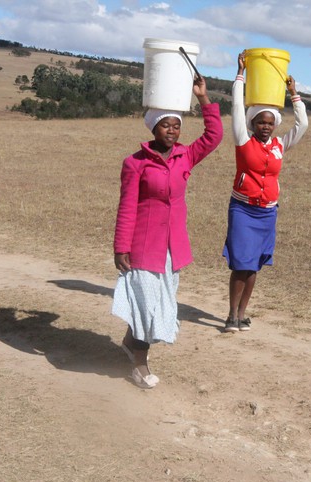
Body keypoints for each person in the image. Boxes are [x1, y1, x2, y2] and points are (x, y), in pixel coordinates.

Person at [112, 76, 222, 389]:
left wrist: (203, 99)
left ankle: (131, 343)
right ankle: (139, 364)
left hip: (173, 246)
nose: (172, 130)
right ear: (153, 128)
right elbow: (127, 208)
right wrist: (121, 247)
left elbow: (214, 135)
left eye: (176, 125)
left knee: (158, 305)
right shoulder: (135, 164)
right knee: (149, 308)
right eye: (165, 125)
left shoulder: (185, 155)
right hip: (144, 245)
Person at [222, 50, 308, 332]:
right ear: (252, 123)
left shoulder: (280, 145)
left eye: (270, 123)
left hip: (267, 213)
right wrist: (240, 75)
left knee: (255, 265)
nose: (266, 127)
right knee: (241, 263)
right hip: (244, 210)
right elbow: (236, 107)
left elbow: (303, 125)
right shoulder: (243, 140)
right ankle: (231, 314)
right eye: (261, 122)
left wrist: (294, 94)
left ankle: (243, 313)